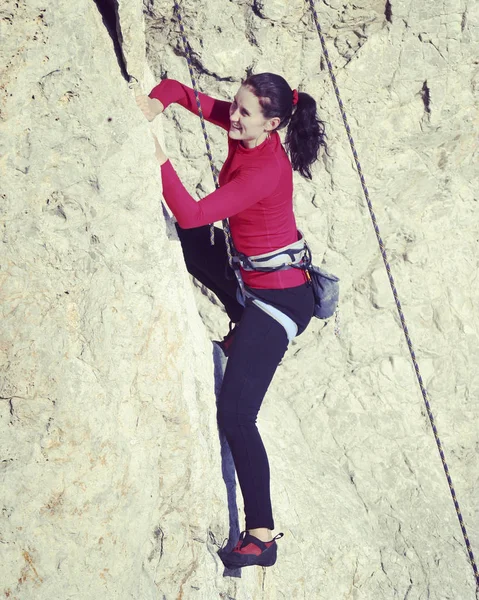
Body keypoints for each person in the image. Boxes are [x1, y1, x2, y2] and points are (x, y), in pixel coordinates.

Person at [136, 73, 327, 569]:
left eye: (244, 112)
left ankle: (261, 536)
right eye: (234, 106)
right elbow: (179, 90)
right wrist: (155, 105)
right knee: (196, 250)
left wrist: (154, 153)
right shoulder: (246, 126)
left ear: (275, 123)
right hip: (254, 280)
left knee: (236, 415)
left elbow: (194, 212)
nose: (232, 116)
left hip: (279, 304)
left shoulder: (265, 168)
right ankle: (240, 321)